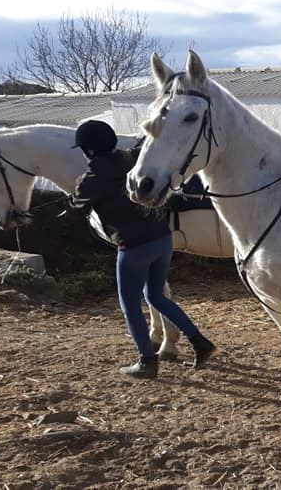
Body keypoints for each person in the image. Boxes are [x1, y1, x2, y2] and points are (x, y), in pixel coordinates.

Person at [69, 120, 216, 378]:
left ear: (89, 151)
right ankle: (199, 342)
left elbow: (77, 205)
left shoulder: (92, 177)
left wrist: (70, 199)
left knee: (130, 306)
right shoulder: (133, 158)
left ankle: (147, 361)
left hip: (134, 248)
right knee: (156, 296)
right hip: (162, 239)